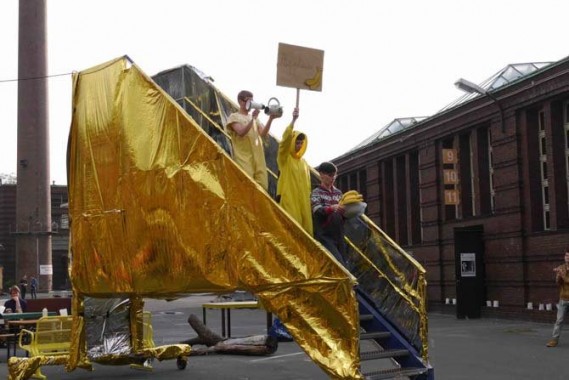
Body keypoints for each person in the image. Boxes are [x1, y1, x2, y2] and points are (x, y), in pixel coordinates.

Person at [226, 90, 280, 191]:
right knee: (246, 186)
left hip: (258, 159)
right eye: (248, 100)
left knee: (262, 188)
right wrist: (252, 120)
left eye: (252, 100)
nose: (251, 103)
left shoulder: (254, 119)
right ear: (241, 101)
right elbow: (241, 132)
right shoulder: (234, 117)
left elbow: (263, 133)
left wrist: (271, 119)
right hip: (243, 159)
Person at [276, 107, 313, 235]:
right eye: (297, 142)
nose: (299, 146)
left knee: (305, 232)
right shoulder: (285, 158)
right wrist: (293, 121)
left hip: (303, 204)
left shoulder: (304, 164)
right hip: (288, 201)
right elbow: (284, 143)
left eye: (301, 143)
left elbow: (308, 187)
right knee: (291, 231)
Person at [311, 162, 346, 266]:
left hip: (339, 234)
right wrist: (331, 208)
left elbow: (344, 213)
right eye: (330, 175)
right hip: (325, 236)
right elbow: (316, 210)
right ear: (321, 175)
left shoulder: (339, 193)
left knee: (344, 263)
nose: (333, 178)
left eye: (334, 175)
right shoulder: (316, 192)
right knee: (340, 265)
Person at [546, 249, 569, 347]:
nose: (568, 257)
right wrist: (558, 276)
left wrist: (563, 275)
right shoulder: (561, 267)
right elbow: (559, 283)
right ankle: (554, 340)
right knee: (559, 320)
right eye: (566, 255)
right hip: (563, 298)